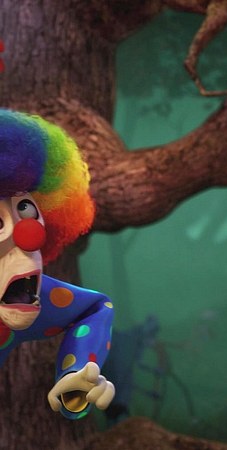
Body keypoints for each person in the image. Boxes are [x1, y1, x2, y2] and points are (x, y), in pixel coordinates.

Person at [0, 109, 115, 419]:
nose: (28, 235)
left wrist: (77, 374)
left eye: (26, 210)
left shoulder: (25, 298)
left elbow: (94, 309)